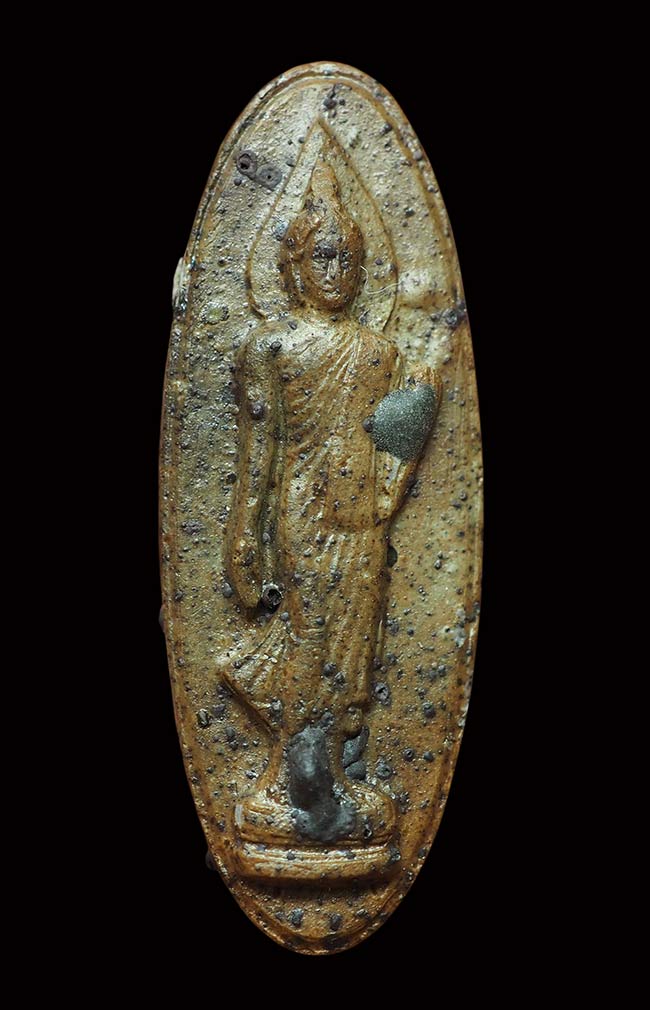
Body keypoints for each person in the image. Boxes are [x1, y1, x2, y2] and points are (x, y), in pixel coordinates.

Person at [221, 161, 440, 860]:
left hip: (362, 525)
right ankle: (287, 780)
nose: (336, 271)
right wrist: (243, 541)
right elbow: (258, 455)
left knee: (356, 652)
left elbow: (384, 456)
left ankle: (334, 780)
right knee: (309, 642)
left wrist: (412, 427)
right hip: (303, 517)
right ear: (292, 266)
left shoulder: (379, 352)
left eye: (347, 258)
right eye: (321, 256)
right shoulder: (270, 347)